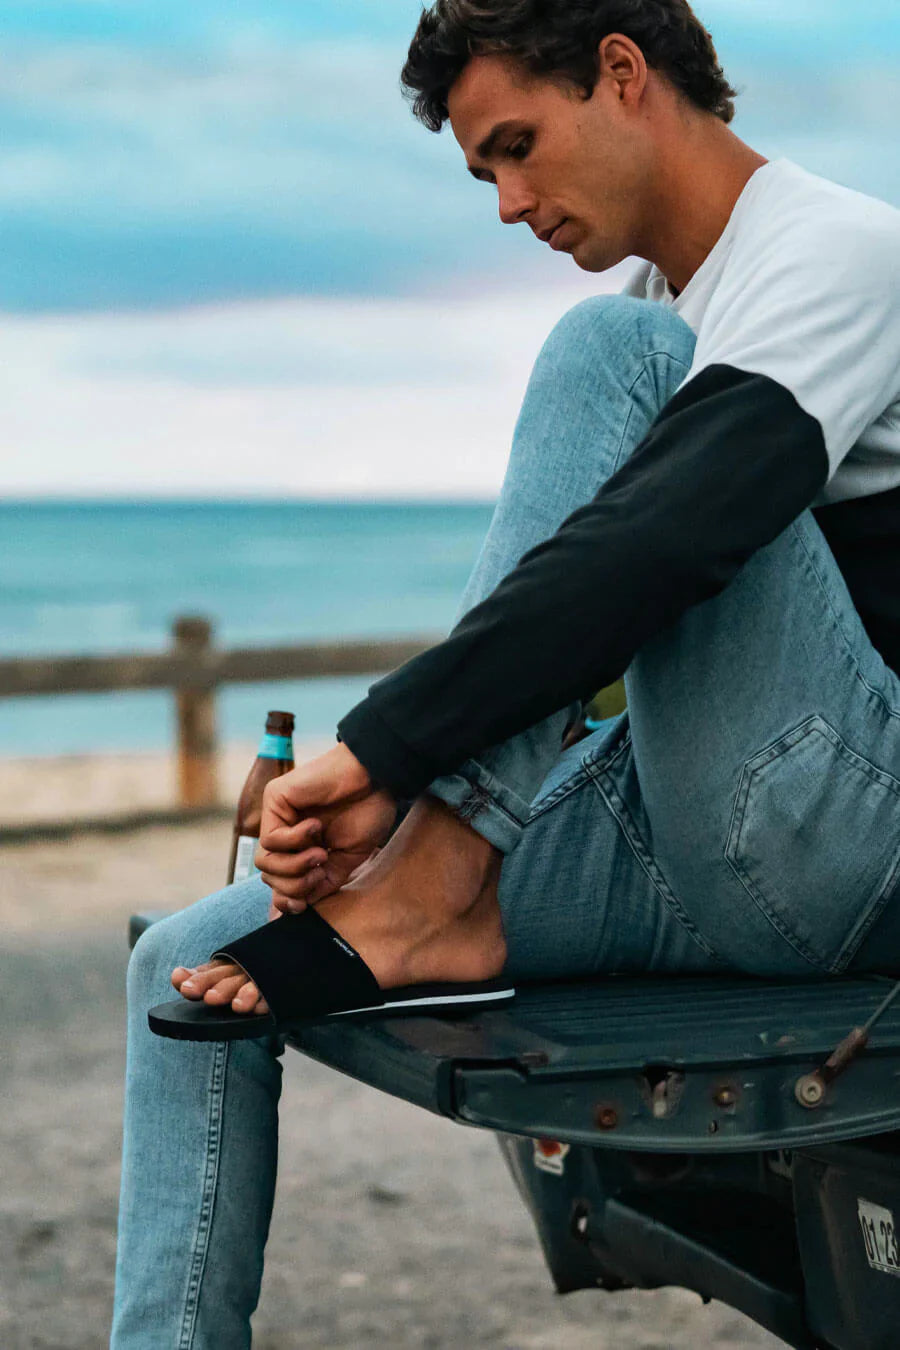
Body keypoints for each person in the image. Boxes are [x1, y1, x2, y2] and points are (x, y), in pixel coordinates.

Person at [112, 0, 900, 1343]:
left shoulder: (842, 254)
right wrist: (381, 808)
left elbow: (667, 541)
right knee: (192, 961)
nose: (508, 202)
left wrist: (391, 752)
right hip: (698, 828)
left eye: (520, 148)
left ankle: (442, 867)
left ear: (623, 72)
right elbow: (593, 636)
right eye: (486, 172)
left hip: (854, 838)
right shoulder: (670, 302)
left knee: (615, 354)